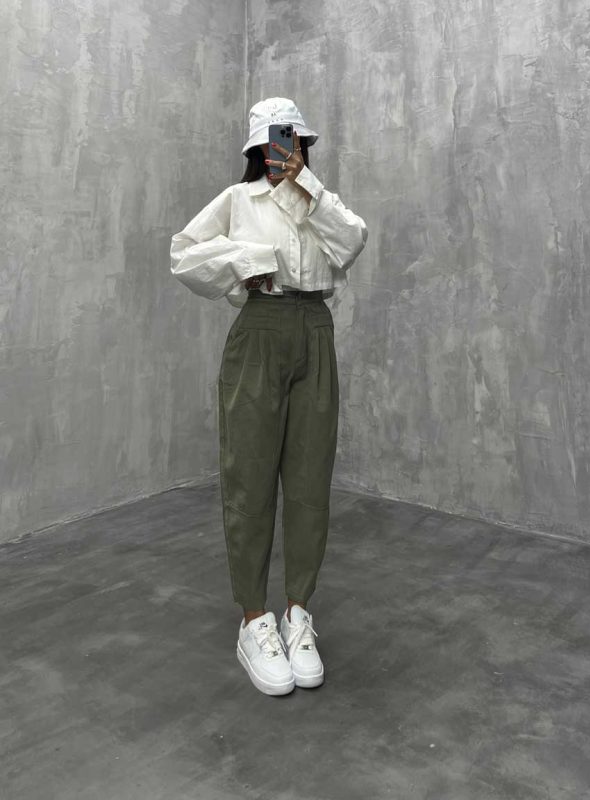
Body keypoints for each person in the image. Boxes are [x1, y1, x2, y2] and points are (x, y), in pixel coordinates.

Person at [170, 97, 368, 696]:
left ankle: (298, 612)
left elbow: (352, 243)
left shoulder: (319, 199)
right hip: (259, 329)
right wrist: (244, 262)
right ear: (259, 147)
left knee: (310, 481)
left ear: (304, 144)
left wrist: (307, 186)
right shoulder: (239, 200)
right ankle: (254, 619)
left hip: (315, 329)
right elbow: (184, 253)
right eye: (278, 140)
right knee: (249, 478)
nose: (287, 148)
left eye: (296, 139)